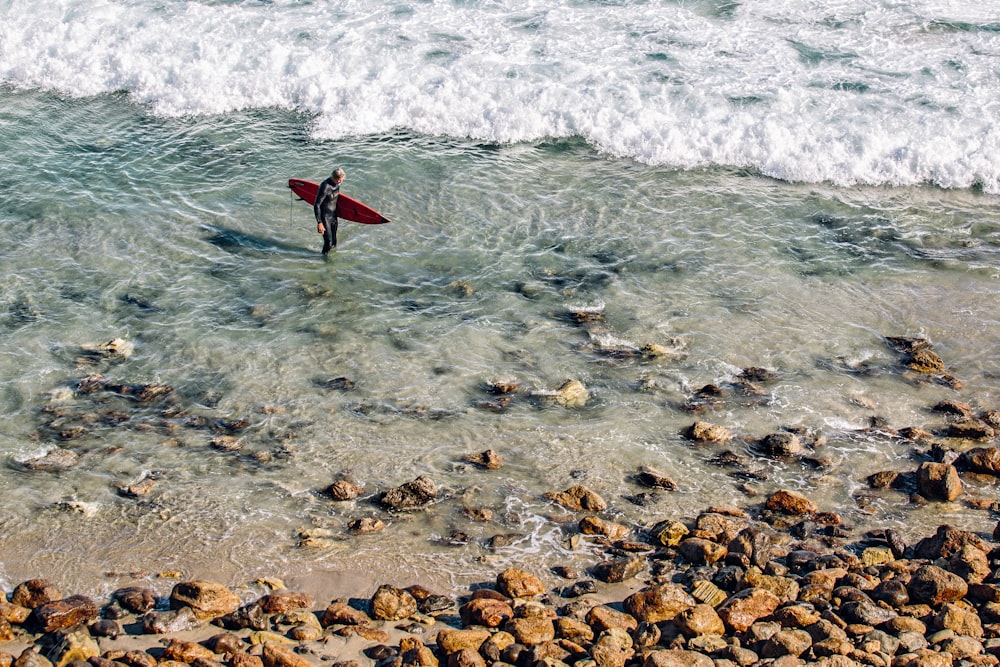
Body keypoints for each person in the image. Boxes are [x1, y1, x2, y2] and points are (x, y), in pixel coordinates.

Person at [314, 167, 345, 255]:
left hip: (333, 216)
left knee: (334, 242)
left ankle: (332, 257)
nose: (339, 182)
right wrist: (319, 222)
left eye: (341, 180)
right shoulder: (325, 186)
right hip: (325, 218)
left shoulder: (338, 184)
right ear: (333, 177)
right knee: (328, 242)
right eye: (338, 180)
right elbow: (317, 205)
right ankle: (324, 260)